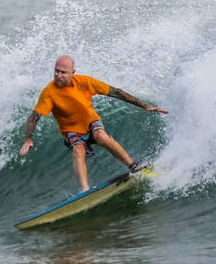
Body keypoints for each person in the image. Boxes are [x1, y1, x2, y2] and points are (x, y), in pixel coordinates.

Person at [19, 55, 168, 191]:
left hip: (91, 122)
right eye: (56, 71)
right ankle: (85, 189)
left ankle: (133, 166)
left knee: (101, 136)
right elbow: (33, 117)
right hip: (71, 130)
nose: (58, 75)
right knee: (78, 150)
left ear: (73, 72)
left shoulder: (85, 82)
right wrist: (28, 138)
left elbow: (115, 92)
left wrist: (145, 106)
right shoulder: (49, 92)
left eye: (63, 72)